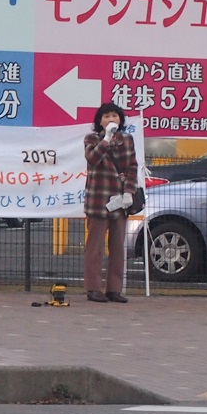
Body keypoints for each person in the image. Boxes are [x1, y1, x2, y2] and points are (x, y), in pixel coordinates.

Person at [82, 101, 138, 304]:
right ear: (100, 121)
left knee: (117, 247)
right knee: (95, 246)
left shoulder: (127, 140)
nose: (111, 119)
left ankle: (114, 289)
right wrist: (106, 139)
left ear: (121, 120)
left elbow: (132, 167)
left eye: (115, 116)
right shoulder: (92, 139)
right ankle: (93, 288)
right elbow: (92, 158)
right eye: (106, 116)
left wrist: (129, 193)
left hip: (119, 201)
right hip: (97, 198)